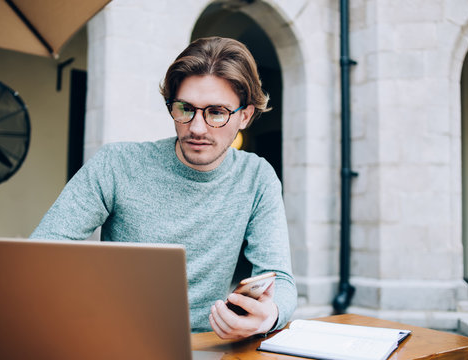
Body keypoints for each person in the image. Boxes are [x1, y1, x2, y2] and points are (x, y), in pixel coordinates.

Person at [31, 36, 297, 339]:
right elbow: (40, 254)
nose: (197, 128)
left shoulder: (257, 177)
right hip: (115, 339)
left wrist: (267, 316)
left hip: (207, 346)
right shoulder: (116, 164)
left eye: (216, 112)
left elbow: (282, 281)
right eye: (185, 108)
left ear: (245, 116)